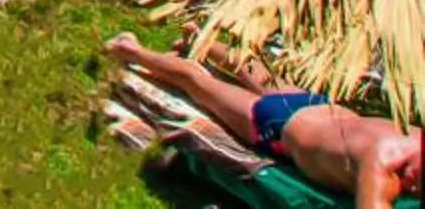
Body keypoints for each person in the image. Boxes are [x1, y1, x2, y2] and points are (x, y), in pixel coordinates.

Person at [109, 34, 423, 206]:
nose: (412, 188)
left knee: (251, 67)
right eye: (417, 183)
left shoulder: (415, 136)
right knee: (197, 83)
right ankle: (134, 51)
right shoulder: (382, 165)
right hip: (275, 123)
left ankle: (198, 37)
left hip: (319, 106)